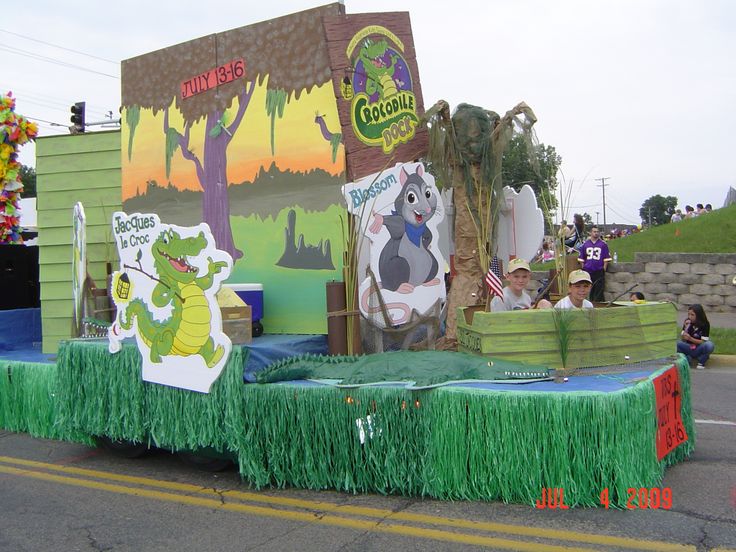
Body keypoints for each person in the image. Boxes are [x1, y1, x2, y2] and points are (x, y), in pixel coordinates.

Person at [577, 225, 611, 303]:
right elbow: (581, 259)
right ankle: (590, 303)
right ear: (590, 233)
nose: (596, 233)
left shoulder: (603, 244)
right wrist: (583, 268)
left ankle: (598, 303)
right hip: (588, 270)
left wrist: (603, 269)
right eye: (594, 232)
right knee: (589, 289)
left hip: (598, 270)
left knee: (599, 289)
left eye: (597, 232)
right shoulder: (585, 244)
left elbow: (606, 258)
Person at [677, 304, 715, 369]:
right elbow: (683, 340)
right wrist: (686, 328)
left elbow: (703, 342)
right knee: (676, 343)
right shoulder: (687, 321)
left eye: (692, 315)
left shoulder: (705, 324)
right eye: (688, 314)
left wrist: (690, 338)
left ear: (699, 315)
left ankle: (701, 362)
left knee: (709, 345)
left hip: (698, 348)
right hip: (688, 347)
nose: (690, 316)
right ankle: (687, 359)